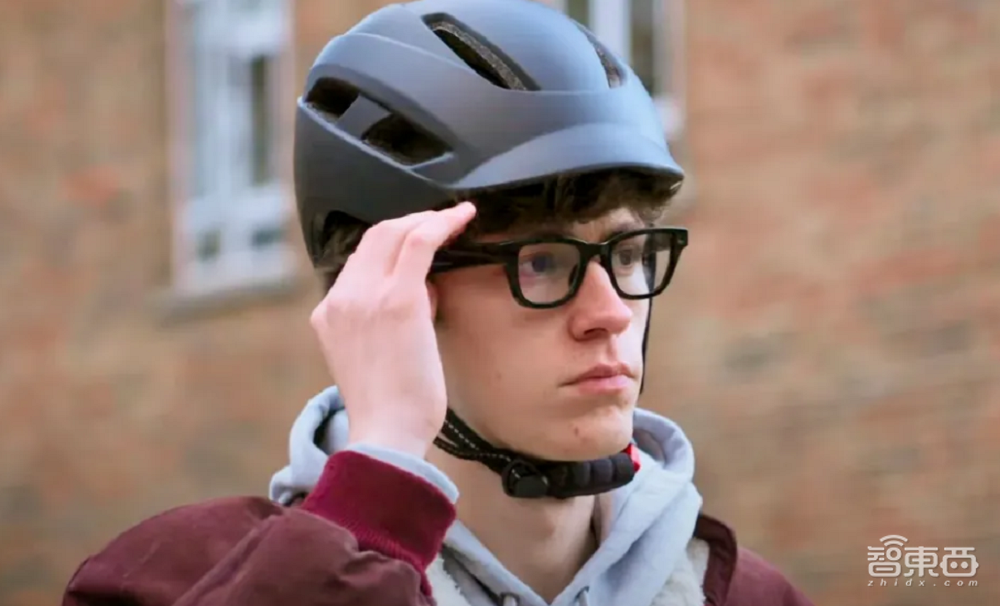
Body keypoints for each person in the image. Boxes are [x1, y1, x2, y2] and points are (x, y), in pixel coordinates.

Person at [63, 1, 816, 605]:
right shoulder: (169, 576)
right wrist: (379, 479)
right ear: (392, 295)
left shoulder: (748, 594)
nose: (612, 312)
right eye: (544, 263)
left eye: (625, 255)